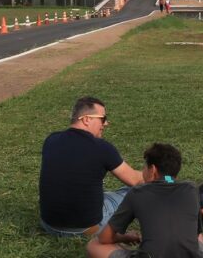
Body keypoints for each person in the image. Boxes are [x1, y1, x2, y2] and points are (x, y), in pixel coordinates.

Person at [39, 96, 143, 237]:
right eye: (103, 118)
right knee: (133, 191)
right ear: (87, 119)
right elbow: (136, 181)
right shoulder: (102, 148)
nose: (106, 123)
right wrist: (165, 177)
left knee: (102, 194)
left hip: (49, 225)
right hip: (85, 228)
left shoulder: (51, 140)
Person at [86, 143, 203, 258]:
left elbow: (104, 237)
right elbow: (196, 233)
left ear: (153, 170)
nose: (142, 170)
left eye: (144, 166)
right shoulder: (192, 189)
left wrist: (125, 238)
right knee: (198, 235)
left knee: (94, 245)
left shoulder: (137, 193)